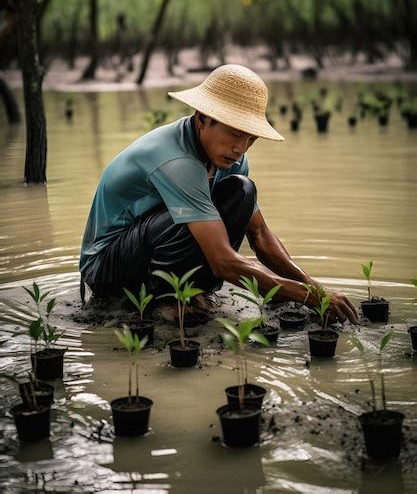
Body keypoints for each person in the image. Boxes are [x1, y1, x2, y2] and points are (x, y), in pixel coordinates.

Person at [79, 64, 358, 324]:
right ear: (202, 119)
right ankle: (164, 299)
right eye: (235, 133)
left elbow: (260, 236)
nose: (241, 148)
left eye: (251, 138)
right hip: (106, 268)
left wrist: (315, 287)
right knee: (191, 220)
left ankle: (189, 292)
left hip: (148, 248)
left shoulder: (231, 161)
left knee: (241, 191)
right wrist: (308, 298)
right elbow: (222, 261)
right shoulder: (177, 163)